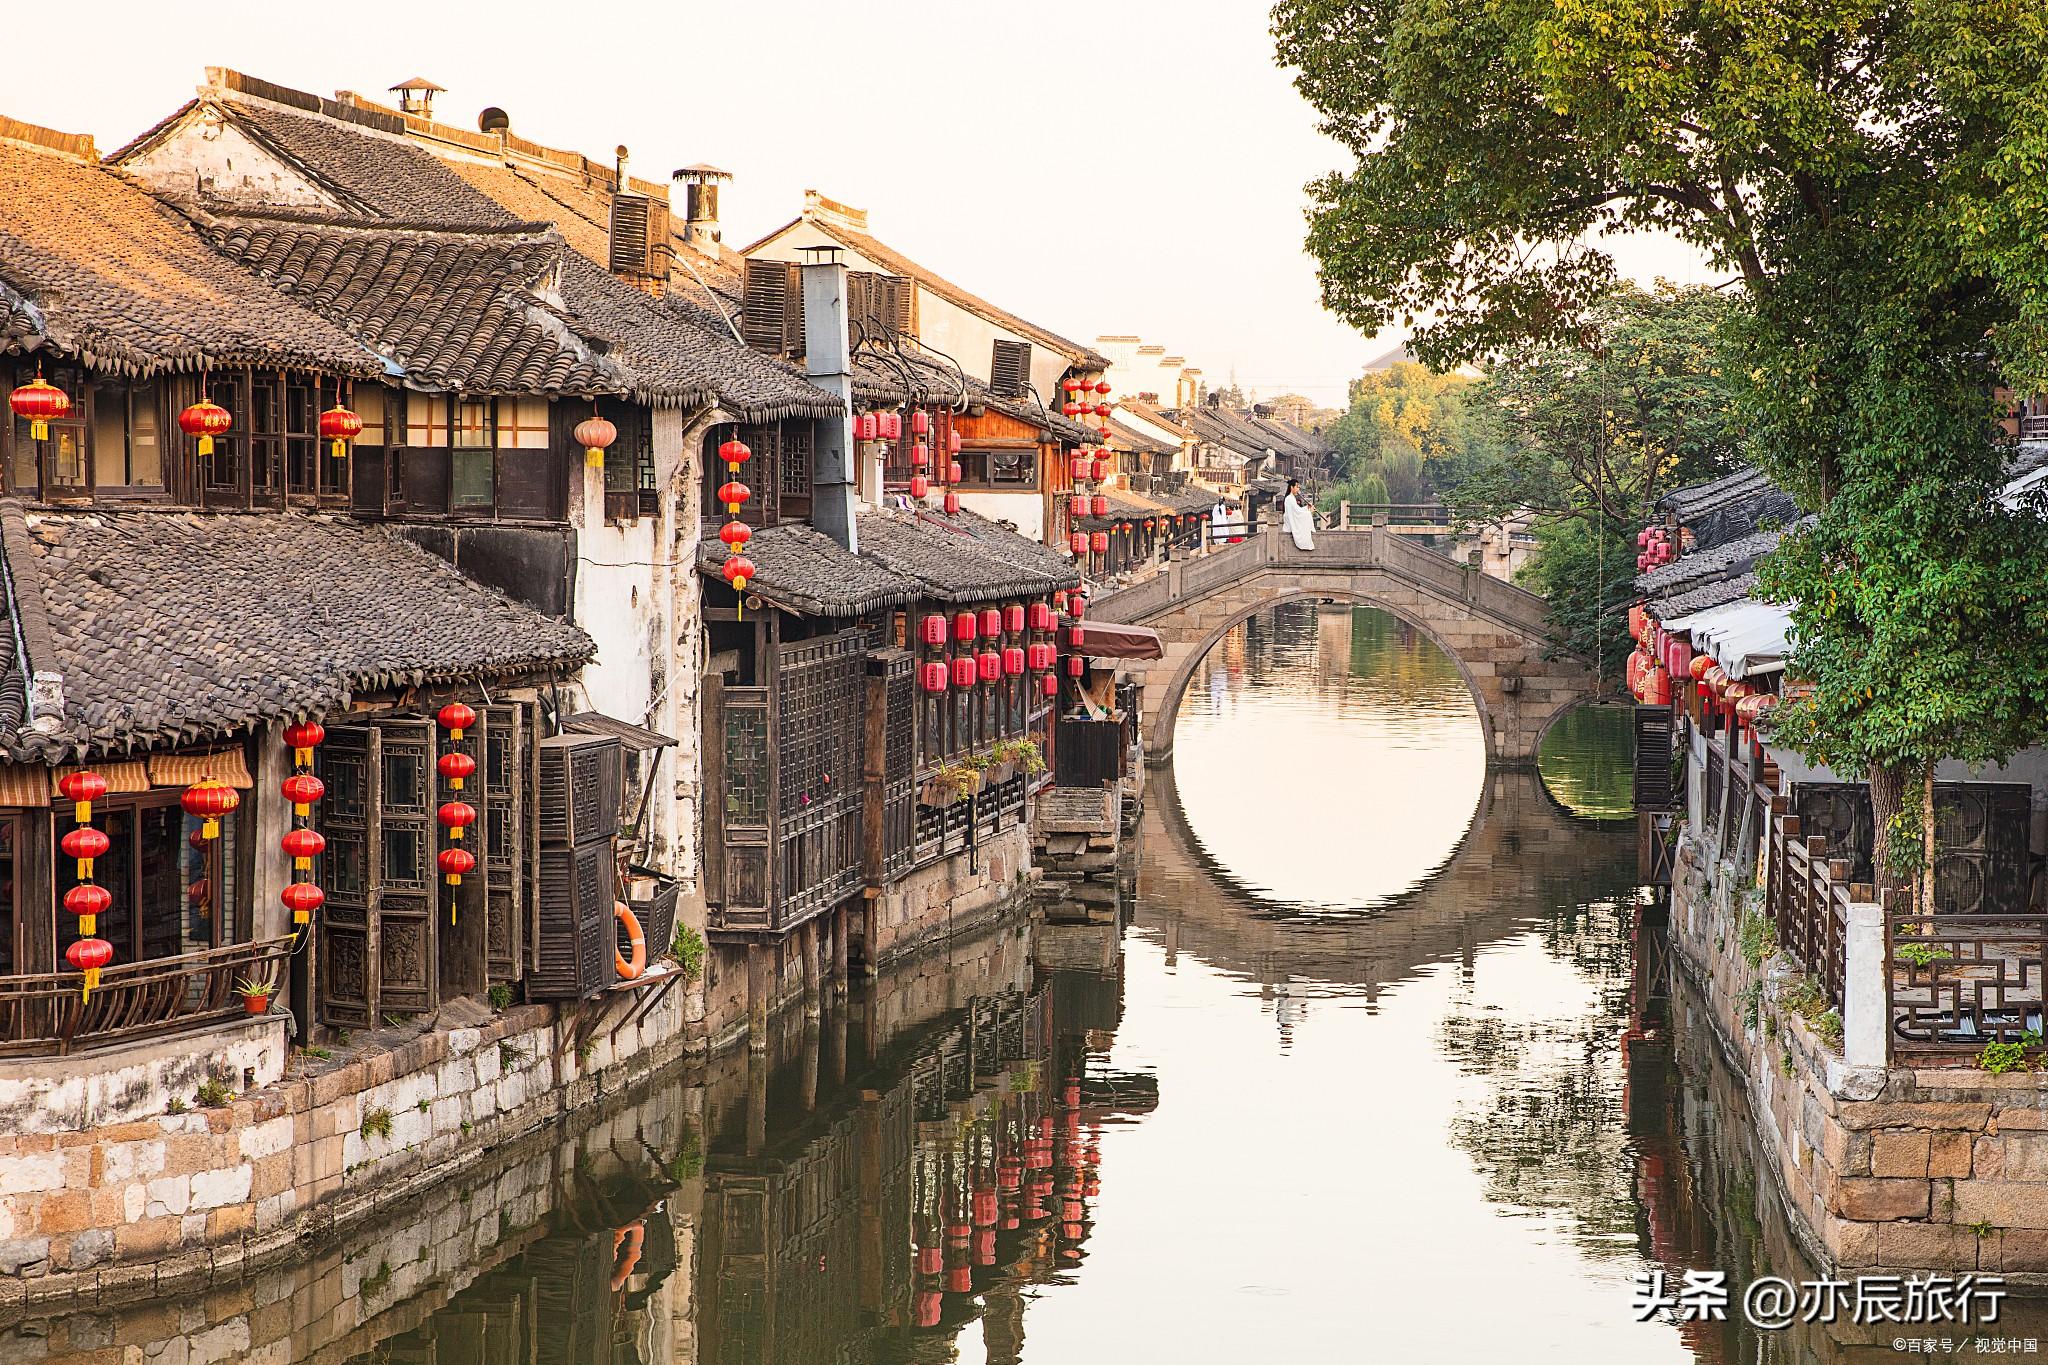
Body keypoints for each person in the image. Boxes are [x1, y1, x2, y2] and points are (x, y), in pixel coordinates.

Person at [1283, 478, 1316, 551]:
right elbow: (1297, 513)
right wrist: (1309, 512)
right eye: (1297, 487)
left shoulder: (1291, 498)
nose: (1298, 489)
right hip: (1289, 526)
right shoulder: (1289, 499)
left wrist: (1307, 508)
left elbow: (1298, 510)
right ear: (1292, 487)